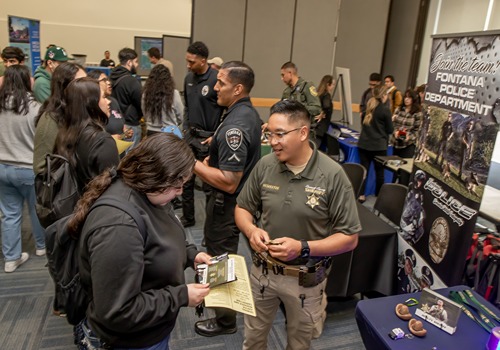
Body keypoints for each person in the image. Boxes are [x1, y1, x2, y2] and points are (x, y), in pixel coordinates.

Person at [235, 100, 360, 349]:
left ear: (303, 132)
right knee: (253, 339)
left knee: (299, 342)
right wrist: (251, 230)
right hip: (263, 272)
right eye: (269, 133)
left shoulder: (332, 175)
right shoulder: (266, 165)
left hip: (306, 280)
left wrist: (302, 247)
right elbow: (242, 208)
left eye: (280, 134)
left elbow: (349, 238)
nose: (272, 141)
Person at [71, 133, 211, 348]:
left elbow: (162, 233)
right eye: (177, 186)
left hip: (151, 328)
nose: (180, 192)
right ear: (158, 177)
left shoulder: (148, 192)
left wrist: (191, 254)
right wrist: (181, 296)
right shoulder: (118, 227)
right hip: (129, 340)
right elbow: (119, 311)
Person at [193, 61, 262, 337]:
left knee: (220, 262)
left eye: (221, 83)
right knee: (220, 258)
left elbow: (231, 182)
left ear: (238, 88)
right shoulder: (240, 113)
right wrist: (214, 157)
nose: (215, 88)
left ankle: (225, 322)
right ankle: (225, 316)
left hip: (228, 206)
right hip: (230, 204)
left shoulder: (237, 123)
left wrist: (193, 164)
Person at [0, 65, 46, 272]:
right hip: (28, 168)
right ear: (26, 80)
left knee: (9, 214)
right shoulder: (35, 108)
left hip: (2, 168)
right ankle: (41, 246)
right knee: (35, 210)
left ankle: (11, 258)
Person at [181, 41, 224, 228]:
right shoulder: (188, 78)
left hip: (208, 139)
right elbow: (188, 108)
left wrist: (217, 134)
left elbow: (225, 110)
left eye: (191, 61)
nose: (188, 65)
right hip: (190, 137)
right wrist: (185, 131)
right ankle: (188, 218)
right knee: (186, 181)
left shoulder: (216, 79)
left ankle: (210, 228)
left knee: (208, 187)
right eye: (187, 61)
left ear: (203, 60)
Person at [54, 77, 120, 192]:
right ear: (91, 104)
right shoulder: (102, 141)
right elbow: (112, 188)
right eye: (104, 97)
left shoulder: (64, 133)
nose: (108, 101)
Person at [33, 62, 87, 176]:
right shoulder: (50, 121)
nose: (87, 87)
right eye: (81, 82)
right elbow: (41, 169)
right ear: (65, 87)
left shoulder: (76, 113)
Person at [357, 85, 394, 203]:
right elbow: (390, 130)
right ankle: (379, 197)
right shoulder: (385, 110)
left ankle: (361, 194)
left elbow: (363, 124)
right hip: (378, 146)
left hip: (364, 144)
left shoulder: (368, 107)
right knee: (380, 173)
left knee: (364, 171)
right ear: (384, 95)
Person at [110, 48, 143, 150]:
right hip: (130, 126)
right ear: (129, 62)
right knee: (130, 160)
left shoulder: (111, 77)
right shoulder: (131, 81)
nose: (137, 65)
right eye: (136, 62)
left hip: (116, 124)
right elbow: (141, 102)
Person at [142, 64, 183, 135]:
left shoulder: (146, 94)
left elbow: (145, 114)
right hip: (170, 133)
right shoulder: (174, 93)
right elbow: (181, 116)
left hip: (151, 133)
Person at [87, 69, 128, 138]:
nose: (109, 83)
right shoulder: (92, 105)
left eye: (108, 80)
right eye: (104, 80)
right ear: (94, 83)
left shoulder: (113, 101)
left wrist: (125, 132)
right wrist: (110, 138)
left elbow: (121, 121)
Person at [391, 89, 422, 159]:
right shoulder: (399, 109)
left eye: (409, 97)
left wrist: (409, 137)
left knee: (404, 167)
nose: (406, 99)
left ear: (413, 99)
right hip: (396, 143)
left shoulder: (417, 113)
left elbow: (417, 131)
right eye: (405, 97)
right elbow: (393, 125)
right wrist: (395, 132)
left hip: (408, 145)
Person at [315, 75, 335, 148]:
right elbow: (326, 106)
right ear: (328, 85)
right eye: (332, 84)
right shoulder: (326, 95)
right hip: (321, 128)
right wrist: (324, 113)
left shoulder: (318, 94)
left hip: (315, 126)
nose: (333, 87)